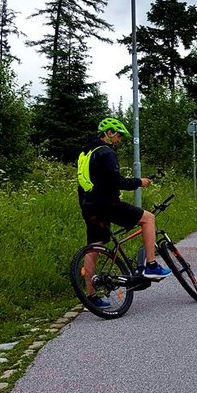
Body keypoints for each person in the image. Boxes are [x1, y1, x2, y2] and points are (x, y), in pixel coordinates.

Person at [77, 116, 170, 308]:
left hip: (89, 205)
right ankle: (151, 265)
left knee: (94, 247)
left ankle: (91, 296)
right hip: (107, 203)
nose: (119, 139)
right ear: (109, 133)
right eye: (118, 135)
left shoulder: (85, 153)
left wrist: (87, 206)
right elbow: (116, 181)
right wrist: (139, 182)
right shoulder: (106, 152)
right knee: (148, 219)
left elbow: (82, 185)